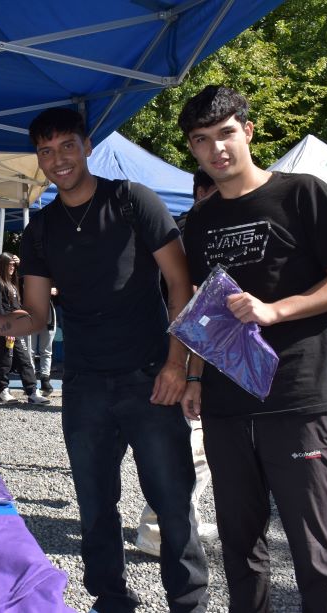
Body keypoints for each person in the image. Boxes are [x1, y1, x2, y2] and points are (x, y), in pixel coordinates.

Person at [0, 107, 207, 613]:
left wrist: (177, 365)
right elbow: (34, 315)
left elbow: (183, 284)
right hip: (86, 384)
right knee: (95, 507)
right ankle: (111, 601)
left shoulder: (132, 200)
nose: (58, 160)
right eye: (46, 152)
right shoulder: (41, 229)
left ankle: (189, 604)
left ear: (87, 145)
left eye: (66, 146)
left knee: (172, 505)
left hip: (150, 377)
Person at [177, 85, 327, 612]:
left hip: (297, 401)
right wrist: (193, 376)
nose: (217, 149)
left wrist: (275, 310)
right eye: (202, 140)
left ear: (248, 131)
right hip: (226, 405)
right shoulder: (201, 221)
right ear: (192, 149)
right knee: (240, 551)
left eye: (226, 134)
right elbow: (202, 308)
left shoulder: (302, 192)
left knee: (316, 556)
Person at [134, 169, 220, 558]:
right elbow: (186, 303)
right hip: (182, 355)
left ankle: (183, 518)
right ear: (202, 191)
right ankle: (156, 531)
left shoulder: (194, 230)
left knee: (195, 450)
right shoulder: (189, 234)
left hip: (190, 354)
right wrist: (185, 369)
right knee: (191, 451)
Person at [0, 253, 48, 405]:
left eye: (14, 265)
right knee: (5, 358)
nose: (12, 267)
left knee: (23, 358)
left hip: (13, 327)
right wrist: (7, 329)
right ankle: (4, 390)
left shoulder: (11, 283)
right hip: (4, 327)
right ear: (2, 264)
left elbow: (25, 291)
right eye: (9, 264)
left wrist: (21, 263)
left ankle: (31, 391)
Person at [29, 287, 58, 395]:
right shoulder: (27, 275)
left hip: (49, 315)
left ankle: (45, 380)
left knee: (46, 351)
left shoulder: (53, 275)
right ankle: (31, 381)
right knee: (30, 351)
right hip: (30, 314)